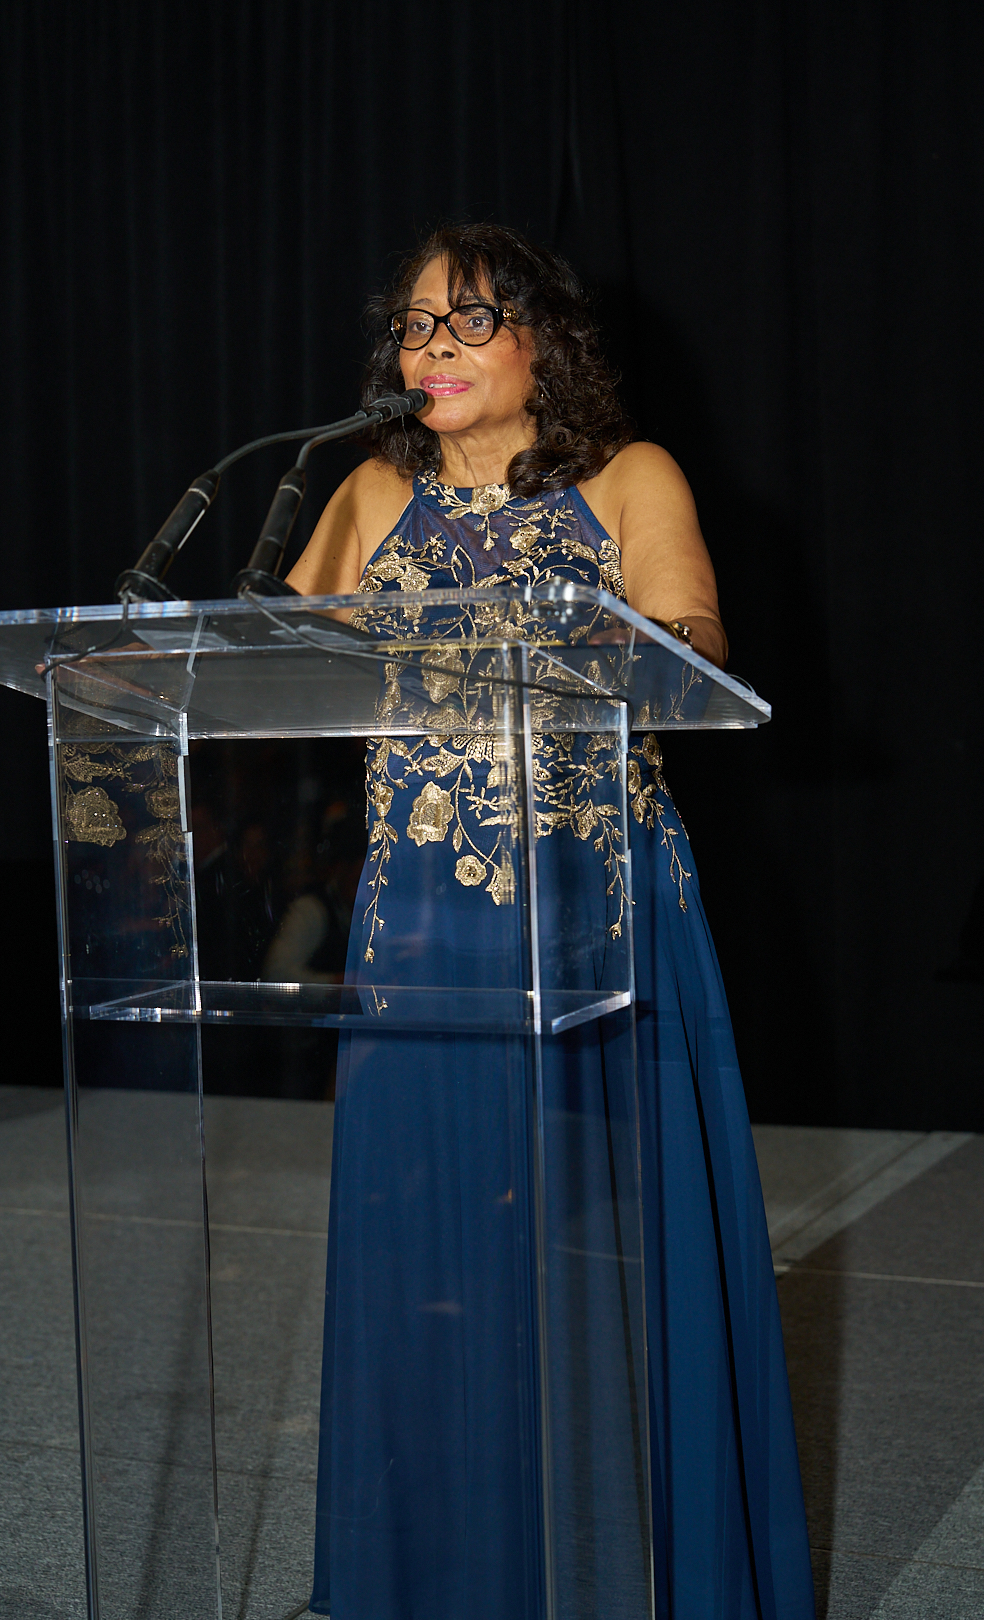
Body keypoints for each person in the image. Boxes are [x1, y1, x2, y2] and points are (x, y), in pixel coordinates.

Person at [288, 223, 815, 1620]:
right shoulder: (365, 492)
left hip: (597, 906)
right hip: (420, 928)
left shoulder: (630, 476)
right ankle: (430, 1579)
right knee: (428, 1252)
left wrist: (590, 641)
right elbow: (272, 658)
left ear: (546, 341)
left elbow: (694, 636)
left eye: (469, 318)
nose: (433, 346)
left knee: (618, 1255)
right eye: (415, 324)